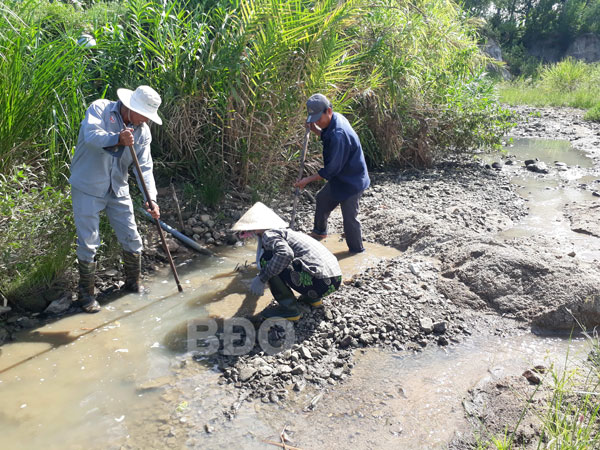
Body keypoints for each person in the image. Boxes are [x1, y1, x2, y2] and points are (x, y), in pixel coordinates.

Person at [69, 85, 163, 313]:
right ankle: (86, 295)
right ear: (131, 107)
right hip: (88, 186)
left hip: (117, 189)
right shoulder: (100, 110)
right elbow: (91, 137)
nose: (146, 121)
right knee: (89, 241)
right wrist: (117, 138)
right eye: (144, 115)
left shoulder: (143, 131)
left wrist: (151, 198)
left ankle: (133, 284)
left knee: (132, 237)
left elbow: (145, 167)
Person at [232, 202, 342, 321]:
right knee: (288, 260)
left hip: (319, 283)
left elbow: (285, 254)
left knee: (267, 259)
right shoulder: (288, 233)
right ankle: (312, 299)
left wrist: (262, 278)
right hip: (334, 281)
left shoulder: (269, 234)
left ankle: (289, 309)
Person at [294, 93, 370, 254]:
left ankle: (357, 252)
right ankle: (319, 233)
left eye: (318, 119)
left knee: (350, 220)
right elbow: (327, 136)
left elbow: (330, 171)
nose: (316, 122)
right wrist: (315, 129)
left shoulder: (339, 134)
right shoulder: (334, 120)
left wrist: (306, 180)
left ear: (328, 111)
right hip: (340, 176)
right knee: (322, 199)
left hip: (352, 180)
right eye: (312, 119)